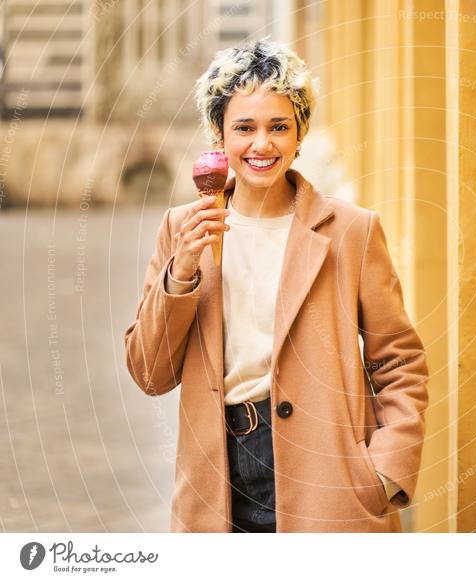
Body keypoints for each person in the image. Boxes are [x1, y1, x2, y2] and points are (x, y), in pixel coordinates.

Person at [124, 38, 429, 532]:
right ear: (219, 136)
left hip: (328, 478)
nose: (262, 144)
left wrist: (384, 473)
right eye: (244, 127)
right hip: (216, 478)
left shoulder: (351, 230)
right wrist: (181, 271)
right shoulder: (182, 228)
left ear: (299, 134)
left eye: (278, 126)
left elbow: (398, 361)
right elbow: (149, 372)